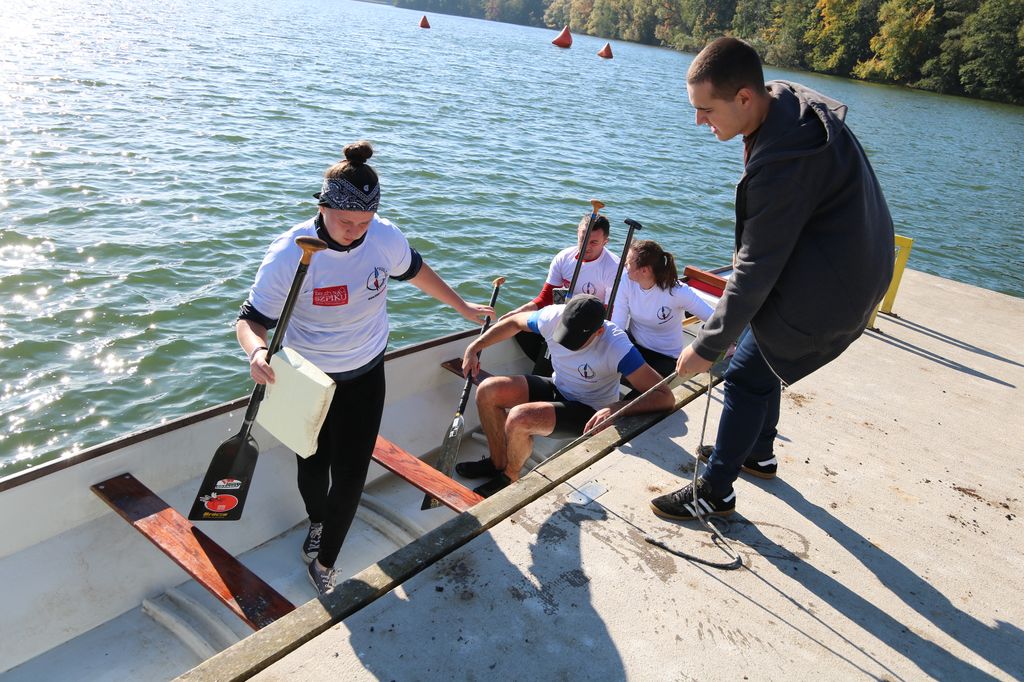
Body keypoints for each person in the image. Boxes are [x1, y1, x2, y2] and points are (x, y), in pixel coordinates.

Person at [651, 37, 894, 521]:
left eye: (706, 109)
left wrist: (706, 346)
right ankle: (758, 453)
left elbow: (755, 269)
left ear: (744, 97)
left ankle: (716, 491)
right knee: (762, 356)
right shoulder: (782, 102)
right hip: (851, 261)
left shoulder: (785, 165)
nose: (698, 121)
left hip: (835, 288)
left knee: (743, 374)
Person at [236, 141, 494, 594]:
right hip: (306, 379)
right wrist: (256, 352)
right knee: (312, 464)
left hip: (365, 372)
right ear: (322, 207)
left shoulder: (384, 238)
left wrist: (461, 306)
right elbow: (250, 321)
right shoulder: (291, 254)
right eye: (345, 222)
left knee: (352, 474)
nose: (355, 232)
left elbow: (417, 271)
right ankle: (317, 522)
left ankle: (325, 563)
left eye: (364, 223)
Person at [457, 295, 675, 497]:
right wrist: (474, 347)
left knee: (519, 418)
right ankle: (496, 463)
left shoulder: (617, 347)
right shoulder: (552, 316)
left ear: (599, 332)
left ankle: (509, 477)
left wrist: (617, 408)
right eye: (565, 335)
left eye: (576, 340)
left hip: (590, 410)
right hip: (558, 386)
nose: (568, 345)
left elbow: (665, 396)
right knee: (487, 390)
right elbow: (514, 322)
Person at [503, 213, 619, 372]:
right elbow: (545, 298)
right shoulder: (564, 258)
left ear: (605, 241)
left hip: (590, 328)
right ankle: (551, 364)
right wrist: (517, 313)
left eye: (594, 242)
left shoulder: (613, 268)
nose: (586, 246)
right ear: (577, 233)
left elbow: (610, 314)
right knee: (519, 326)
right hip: (563, 318)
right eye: (583, 239)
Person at [609, 239, 715, 378]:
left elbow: (715, 320)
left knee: (641, 391)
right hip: (633, 345)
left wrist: (701, 348)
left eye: (628, 263)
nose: (625, 265)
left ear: (645, 270)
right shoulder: (626, 280)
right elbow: (618, 324)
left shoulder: (678, 292)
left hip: (664, 357)